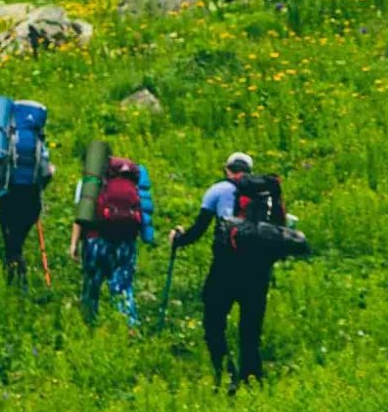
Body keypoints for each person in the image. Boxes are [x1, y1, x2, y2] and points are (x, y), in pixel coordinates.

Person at [170, 151, 285, 386]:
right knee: (250, 329)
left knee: (213, 320)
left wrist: (178, 238)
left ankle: (225, 373)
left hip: (226, 267)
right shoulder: (266, 195)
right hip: (258, 269)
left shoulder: (218, 190)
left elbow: (198, 230)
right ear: (250, 172)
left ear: (227, 169)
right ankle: (252, 379)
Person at [73, 149, 154, 328]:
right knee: (123, 287)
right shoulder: (130, 179)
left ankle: (88, 325)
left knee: (91, 287)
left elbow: (81, 217)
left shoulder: (90, 182)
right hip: (126, 240)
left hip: (96, 241)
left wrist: (74, 245)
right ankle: (129, 328)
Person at [0, 98, 53, 278]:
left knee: (11, 243)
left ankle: (15, 280)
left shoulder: (2, 137)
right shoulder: (38, 141)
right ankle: (17, 280)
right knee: (17, 241)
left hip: (7, 195)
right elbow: (46, 172)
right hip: (31, 199)